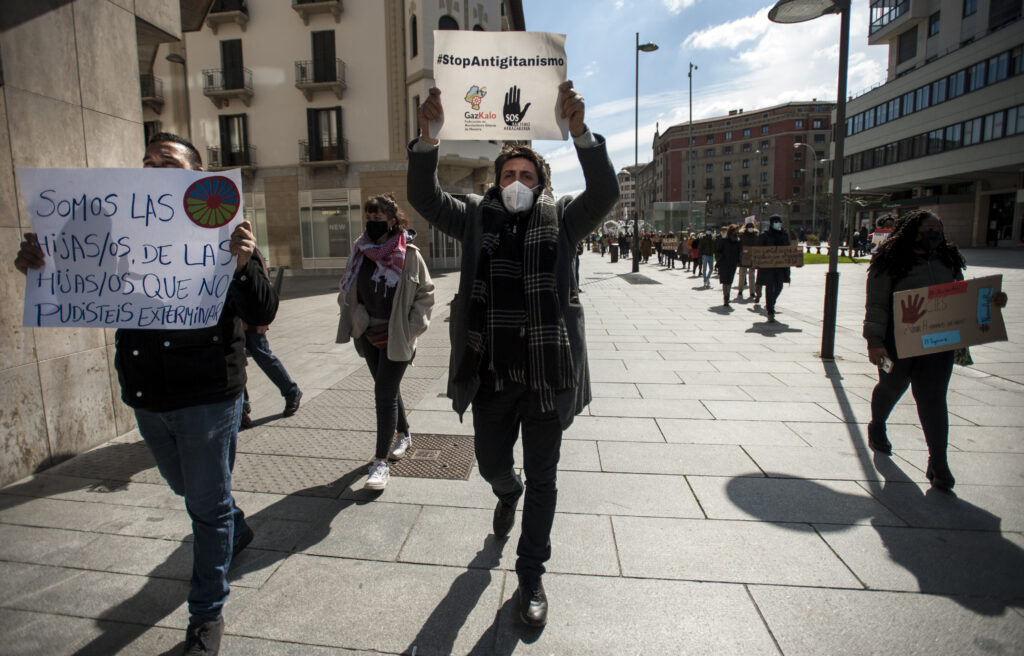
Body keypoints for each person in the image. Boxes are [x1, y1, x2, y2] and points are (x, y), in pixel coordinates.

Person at [14, 133, 277, 656]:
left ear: (197, 176)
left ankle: (206, 615)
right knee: (190, 491)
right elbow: (78, 283)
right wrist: (42, 266)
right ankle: (235, 525)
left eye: (169, 163)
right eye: (148, 162)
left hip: (207, 393)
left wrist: (244, 264)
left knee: (204, 506)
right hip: (146, 392)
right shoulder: (115, 225)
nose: (155, 169)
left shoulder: (224, 230)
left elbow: (263, 312)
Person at [409, 81, 617, 628]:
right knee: (491, 464)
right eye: (508, 175)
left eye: (526, 175)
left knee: (546, 479)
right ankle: (507, 492)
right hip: (494, 377)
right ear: (495, 182)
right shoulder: (477, 218)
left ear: (541, 182)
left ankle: (530, 576)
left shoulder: (566, 219)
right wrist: (428, 139)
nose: (517, 182)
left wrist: (581, 135)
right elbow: (426, 200)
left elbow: (605, 196)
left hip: (548, 379)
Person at [862, 210, 1007, 491]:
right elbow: (876, 304)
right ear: (910, 230)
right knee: (892, 386)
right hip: (897, 341)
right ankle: (877, 424)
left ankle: (938, 462)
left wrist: (993, 300)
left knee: (932, 398)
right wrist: (874, 341)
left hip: (939, 343)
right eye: (928, 229)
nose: (934, 235)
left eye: (938, 229)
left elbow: (962, 295)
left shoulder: (947, 259)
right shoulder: (889, 260)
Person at [336, 194, 435, 491]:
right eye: (369, 217)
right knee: (387, 388)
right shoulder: (359, 250)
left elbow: (426, 295)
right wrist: (356, 316)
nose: (372, 223)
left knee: (383, 393)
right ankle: (403, 432)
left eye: (378, 219)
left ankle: (380, 462)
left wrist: (409, 329)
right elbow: (347, 286)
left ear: (393, 221)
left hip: (398, 337)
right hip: (369, 336)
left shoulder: (410, 254)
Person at [239, 249, 302, 428]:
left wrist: (251, 318)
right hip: (231, 318)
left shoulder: (248, 250)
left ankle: (292, 391)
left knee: (262, 354)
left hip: (249, 316)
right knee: (236, 359)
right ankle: (242, 408)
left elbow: (259, 286)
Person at [755, 215, 791, 322]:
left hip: (780, 267)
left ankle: (771, 303)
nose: (778, 223)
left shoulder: (784, 235)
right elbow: (758, 250)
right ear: (771, 223)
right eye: (775, 222)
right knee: (770, 288)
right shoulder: (764, 236)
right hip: (768, 267)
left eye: (779, 222)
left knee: (779, 287)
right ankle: (770, 311)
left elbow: (788, 250)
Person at [715, 224, 743, 307]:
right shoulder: (723, 241)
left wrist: (739, 259)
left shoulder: (737, 242)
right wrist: (721, 258)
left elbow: (739, 252)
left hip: (732, 264)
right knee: (725, 281)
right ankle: (726, 297)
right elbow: (718, 251)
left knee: (730, 280)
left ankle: (728, 295)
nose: (736, 233)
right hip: (724, 263)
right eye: (735, 231)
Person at [736, 220, 759, 300]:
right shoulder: (742, 236)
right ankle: (740, 290)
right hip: (744, 257)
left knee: (752, 275)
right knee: (742, 274)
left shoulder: (756, 236)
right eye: (749, 227)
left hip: (752, 257)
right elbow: (739, 246)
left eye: (752, 227)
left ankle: (752, 292)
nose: (751, 229)